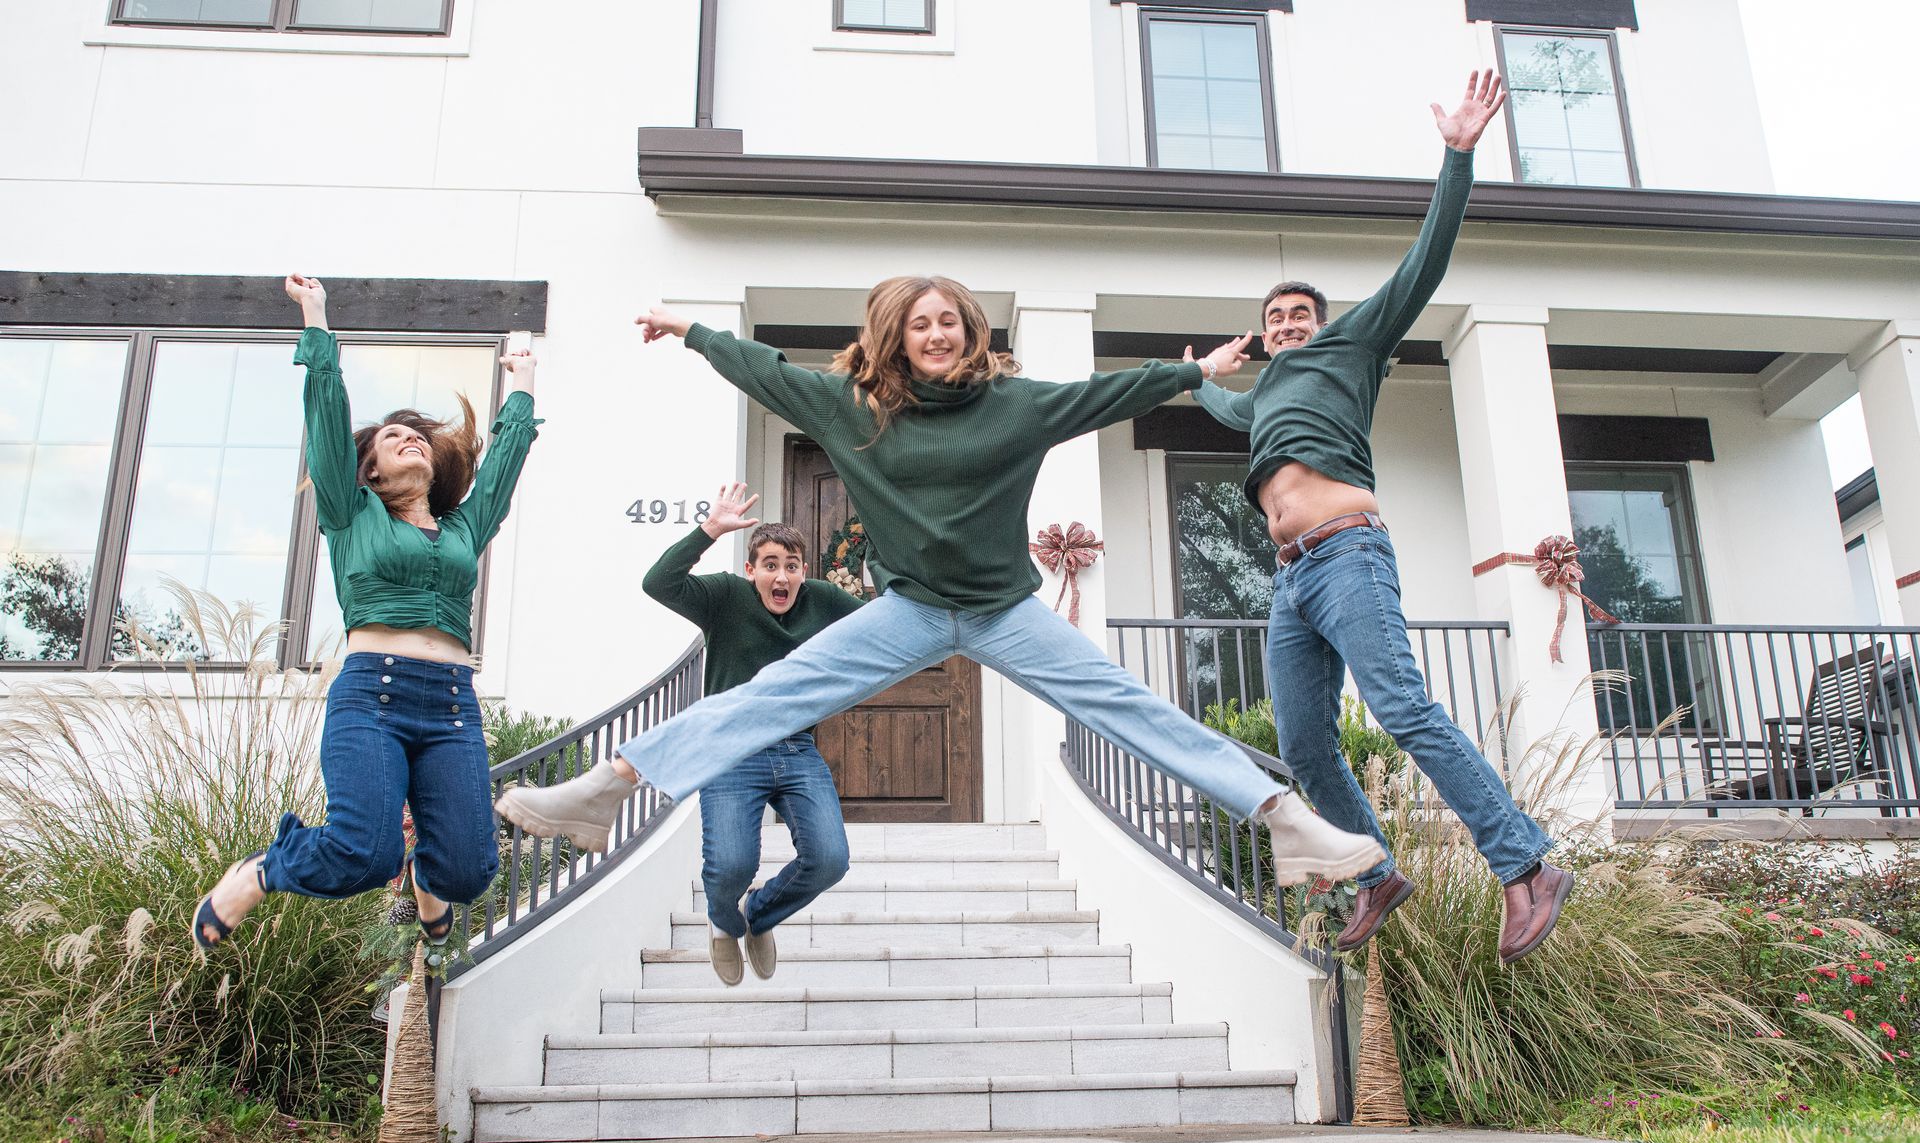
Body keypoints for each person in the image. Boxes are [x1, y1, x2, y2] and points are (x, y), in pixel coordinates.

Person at [495, 275, 1382, 886]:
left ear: (969, 330)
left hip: (1002, 612)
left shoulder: (1017, 405)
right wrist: (691, 330)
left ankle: (1284, 819)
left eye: (950, 319)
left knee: (1124, 703)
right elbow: (763, 370)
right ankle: (604, 788)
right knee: (771, 693)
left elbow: (1104, 393)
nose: (937, 333)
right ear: (896, 338)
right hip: (910, 612)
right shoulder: (850, 408)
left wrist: (1193, 371)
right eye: (919, 324)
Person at [1186, 70, 1571, 963]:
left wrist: (1458, 157)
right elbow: (1226, 413)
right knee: (1304, 746)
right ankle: (1374, 873)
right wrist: (1200, 376)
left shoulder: (1352, 346)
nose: (1284, 326)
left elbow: (1423, 263)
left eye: (1297, 316)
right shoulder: (1265, 403)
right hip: (1290, 583)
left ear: (1320, 326)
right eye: (1274, 318)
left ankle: (1524, 865)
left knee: (1400, 706)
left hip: (1348, 554)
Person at [191, 275, 541, 952]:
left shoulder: (463, 530)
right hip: (371, 697)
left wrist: (523, 385)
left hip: (449, 707)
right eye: (391, 436)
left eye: (416, 434)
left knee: (470, 870)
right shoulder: (350, 516)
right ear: (370, 472)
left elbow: (500, 470)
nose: (409, 436)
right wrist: (316, 319)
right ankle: (263, 871)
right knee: (363, 853)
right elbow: (324, 418)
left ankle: (428, 880)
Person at [642, 483, 864, 984]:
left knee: (830, 859)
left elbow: (886, 625)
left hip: (797, 750)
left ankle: (759, 916)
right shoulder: (725, 597)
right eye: (769, 564)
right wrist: (710, 530)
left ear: (803, 570)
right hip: (729, 751)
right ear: (751, 571)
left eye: (791, 565)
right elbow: (657, 583)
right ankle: (725, 923)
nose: (781, 576)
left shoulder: (823, 600)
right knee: (730, 866)